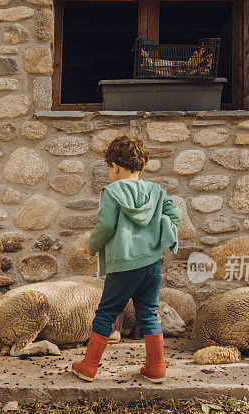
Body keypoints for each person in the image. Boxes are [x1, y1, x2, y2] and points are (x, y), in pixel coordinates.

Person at [71, 134, 181, 383]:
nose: (109, 173)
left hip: (123, 267)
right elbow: (175, 216)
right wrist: (161, 229)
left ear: (115, 166)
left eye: (108, 168)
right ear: (141, 167)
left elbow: (106, 225)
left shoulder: (112, 192)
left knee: (106, 314)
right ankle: (157, 369)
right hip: (152, 265)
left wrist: (91, 246)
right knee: (150, 314)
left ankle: (88, 366)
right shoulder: (156, 191)